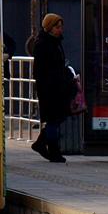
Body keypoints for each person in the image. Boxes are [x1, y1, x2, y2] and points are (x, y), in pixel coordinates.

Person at [28, 13, 74, 162]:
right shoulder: (42, 43)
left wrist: (68, 76)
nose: (60, 30)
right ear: (49, 27)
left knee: (60, 115)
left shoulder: (56, 42)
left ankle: (41, 143)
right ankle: (53, 150)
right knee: (54, 117)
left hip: (59, 86)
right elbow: (41, 69)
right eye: (56, 27)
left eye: (61, 27)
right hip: (50, 88)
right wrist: (52, 81)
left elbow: (60, 64)